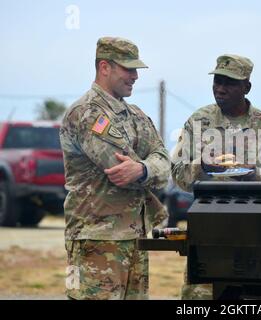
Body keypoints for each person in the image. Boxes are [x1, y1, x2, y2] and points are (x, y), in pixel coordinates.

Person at [171, 54, 261, 299]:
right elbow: (178, 177)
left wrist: (253, 175)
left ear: (246, 87)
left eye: (229, 83)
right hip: (209, 234)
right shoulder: (199, 121)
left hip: (258, 235)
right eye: (217, 81)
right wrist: (202, 166)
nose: (221, 89)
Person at [60, 37, 170, 300]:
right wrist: (149, 169)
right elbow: (120, 169)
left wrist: (143, 169)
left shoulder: (136, 115)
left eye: (136, 70)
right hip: (94, 240)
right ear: (104, 67)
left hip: (134, 238)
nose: (134, 76)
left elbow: (165, 162)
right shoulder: (86, 113)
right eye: (128, 69)